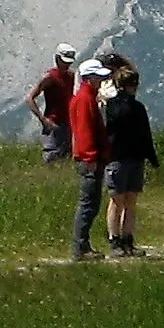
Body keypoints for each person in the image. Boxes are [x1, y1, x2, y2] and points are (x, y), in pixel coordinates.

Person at [99, 56, 158, 256]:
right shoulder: (134, 107)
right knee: (124, 201)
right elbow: (145, 134)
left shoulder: (113, 106)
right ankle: (121, 240)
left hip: (121, 157)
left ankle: (121, 240)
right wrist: (151, 156)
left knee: (121, 200)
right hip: (128, 157)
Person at [67, 50, 110, 258]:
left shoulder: (85, 97)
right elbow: (84, 132)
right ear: (90, 78)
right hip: (89, 159)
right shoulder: (85, 99)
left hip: (89, 158)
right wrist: (91, 156)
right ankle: (80, 247)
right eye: (99, 77)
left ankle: (83, 245)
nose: (102, 81)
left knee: (90, 204)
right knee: (87, 204)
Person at [29, 45, 80, 162]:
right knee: (52, 156)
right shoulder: (49, 77)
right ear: (57, 58)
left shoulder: (72, 75)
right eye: (64, 61)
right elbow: (29, 98)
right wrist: (43, 119)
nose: (67, 65)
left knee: (66, 156)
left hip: (69, 123)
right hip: (54, 123)